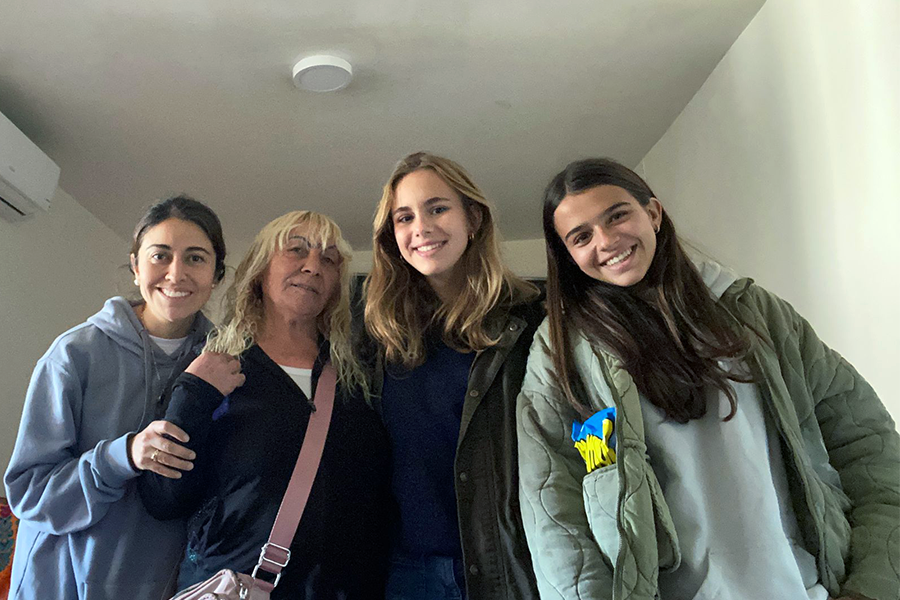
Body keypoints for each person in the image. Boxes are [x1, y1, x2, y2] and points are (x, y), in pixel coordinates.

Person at [517, 158, 900, 600]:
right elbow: (554, 518)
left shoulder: (756, 313)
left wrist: (872, 586)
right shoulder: (560, 355)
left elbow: (868, 447)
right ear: (568, 255)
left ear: (654, 213)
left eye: (617, 215)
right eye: (581, 236)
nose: (606, 241)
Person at [138, 210, 391, 599]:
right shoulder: (213, 366)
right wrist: (194, 394)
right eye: (296, 250)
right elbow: (163, 497)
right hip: (237, 589)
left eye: (328, 259)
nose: (312, 266)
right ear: (260, 268)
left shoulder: (358, 377)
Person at [4, 195, 231, 599]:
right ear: (135, 265)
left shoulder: (224, 367)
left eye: (195, 258)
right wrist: (122, 456)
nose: (175, 274)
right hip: (59, 585)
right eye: (160, 255)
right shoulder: (75, 354)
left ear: (217, 274)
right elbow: (30, 492)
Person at [364, 151, 542, 600]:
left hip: (511, 563)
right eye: (404, 217)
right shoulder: (375, 332)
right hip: (406, 570)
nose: (420, 228)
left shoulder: (529, 321)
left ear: (474, 218)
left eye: (437, 208)